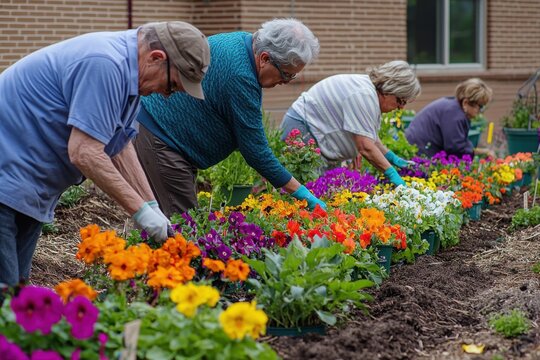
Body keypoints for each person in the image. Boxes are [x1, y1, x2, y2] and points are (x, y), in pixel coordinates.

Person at [0, 21, 210, 286]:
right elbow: (85, 152)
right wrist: (141, 213)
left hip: (28, 186)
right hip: (8, 177)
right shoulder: (105, 64)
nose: (167, 95)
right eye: (171, 85)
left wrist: (153, 207)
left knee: (17, 289)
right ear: (157, 58)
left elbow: (118, 145)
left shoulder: (129, 74)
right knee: (5, 292)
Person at [134, 18, 326, 217]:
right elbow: (256, 151)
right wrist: (303, 194)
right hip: (162, 142)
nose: (286, 82)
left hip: (164, 139)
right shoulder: (241, 77)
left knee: (172, 225)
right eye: (286, 74)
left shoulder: (244, 41)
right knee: (180, 231)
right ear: (265, 58)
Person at [280, 60, 421, 187]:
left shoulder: (369, 93)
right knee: (306, 194)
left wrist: (391, 157)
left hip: (315, 137)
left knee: (322, 197)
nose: (401, 107)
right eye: (401, 101)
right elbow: (365, 146)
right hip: (303, 130)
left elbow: (370, 138)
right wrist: (393, 175)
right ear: (390, 90)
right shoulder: (364, 95)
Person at [405, 78, 494, 158]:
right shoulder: (455, 115)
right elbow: (455, 148)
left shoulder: (454, 107)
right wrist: (482, 152)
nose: (481, 111)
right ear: (466, 103)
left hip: (420, 148)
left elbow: (460, 143)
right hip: (419, 151)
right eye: (480, 106)